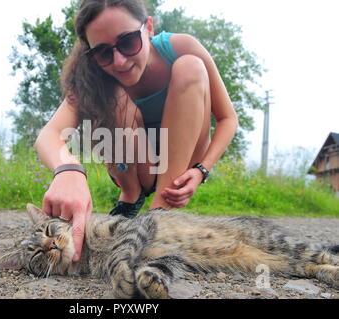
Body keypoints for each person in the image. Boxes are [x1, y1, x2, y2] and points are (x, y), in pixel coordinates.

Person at [35, 0, 238, 262]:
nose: (119, 61)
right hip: (134, 166)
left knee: (190, 66)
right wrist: (69, 170)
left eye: (129, 41)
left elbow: (228, 119)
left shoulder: (180, 47)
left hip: (183, 159)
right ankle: (130, 198)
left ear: (149, 27)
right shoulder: (94, 75)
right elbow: (48, 135)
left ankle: (160, 214)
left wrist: (202, 170)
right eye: (103, 53)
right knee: (109, 92)